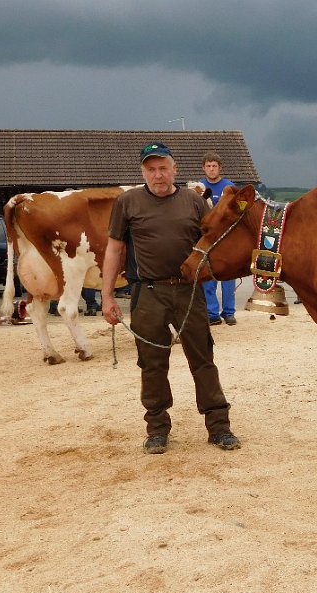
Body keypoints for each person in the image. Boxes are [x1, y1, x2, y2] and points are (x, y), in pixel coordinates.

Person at [101, 142, 240, 454]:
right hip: (147, 293)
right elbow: (114, 249)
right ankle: (157, 429)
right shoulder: (127, 202)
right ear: (143, 172)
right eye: (151, 169)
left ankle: (219, 427)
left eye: (163, 168)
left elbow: (213, 240)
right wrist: (107, 296)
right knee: (151, 363)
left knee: (203, 358)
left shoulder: (193, 202)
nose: (157, 175)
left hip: (189, 292)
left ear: (174, 169)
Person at [200, 151, 237, 326]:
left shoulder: (229, 187)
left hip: (227, 239)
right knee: (208, 277)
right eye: (208, 166)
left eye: (214, 166)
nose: (211, 169)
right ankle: (212, 313)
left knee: (228, 277)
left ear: (220, 168)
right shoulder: (199, 188)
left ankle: (229, 313)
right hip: (207, 239)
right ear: (203, 168)